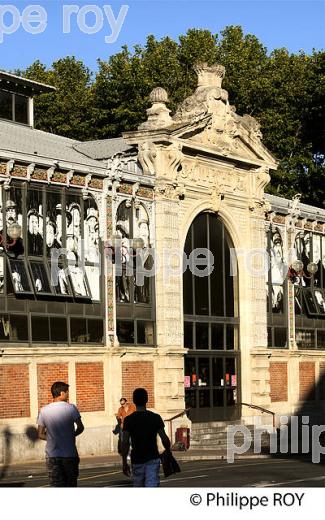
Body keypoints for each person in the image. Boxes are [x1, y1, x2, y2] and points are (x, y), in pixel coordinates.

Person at [37, 381, 84, 487]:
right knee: (71, 485)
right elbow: (81, 427)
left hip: (52, 456)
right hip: (70, 454)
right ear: (62, 393)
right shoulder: (71, 408)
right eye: (67, 392)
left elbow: (40, 434)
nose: (68, 395)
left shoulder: (43, 410)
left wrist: (52, 438)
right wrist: (71, 435)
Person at [121, 388, 171, 487]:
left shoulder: (128, 420)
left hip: (137, 459)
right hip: (152, 457)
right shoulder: (155, 417)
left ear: (134, 401)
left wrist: (124, 462)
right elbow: (164, 438)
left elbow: (125, 442)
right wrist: (168, 451)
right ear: (147, 400)